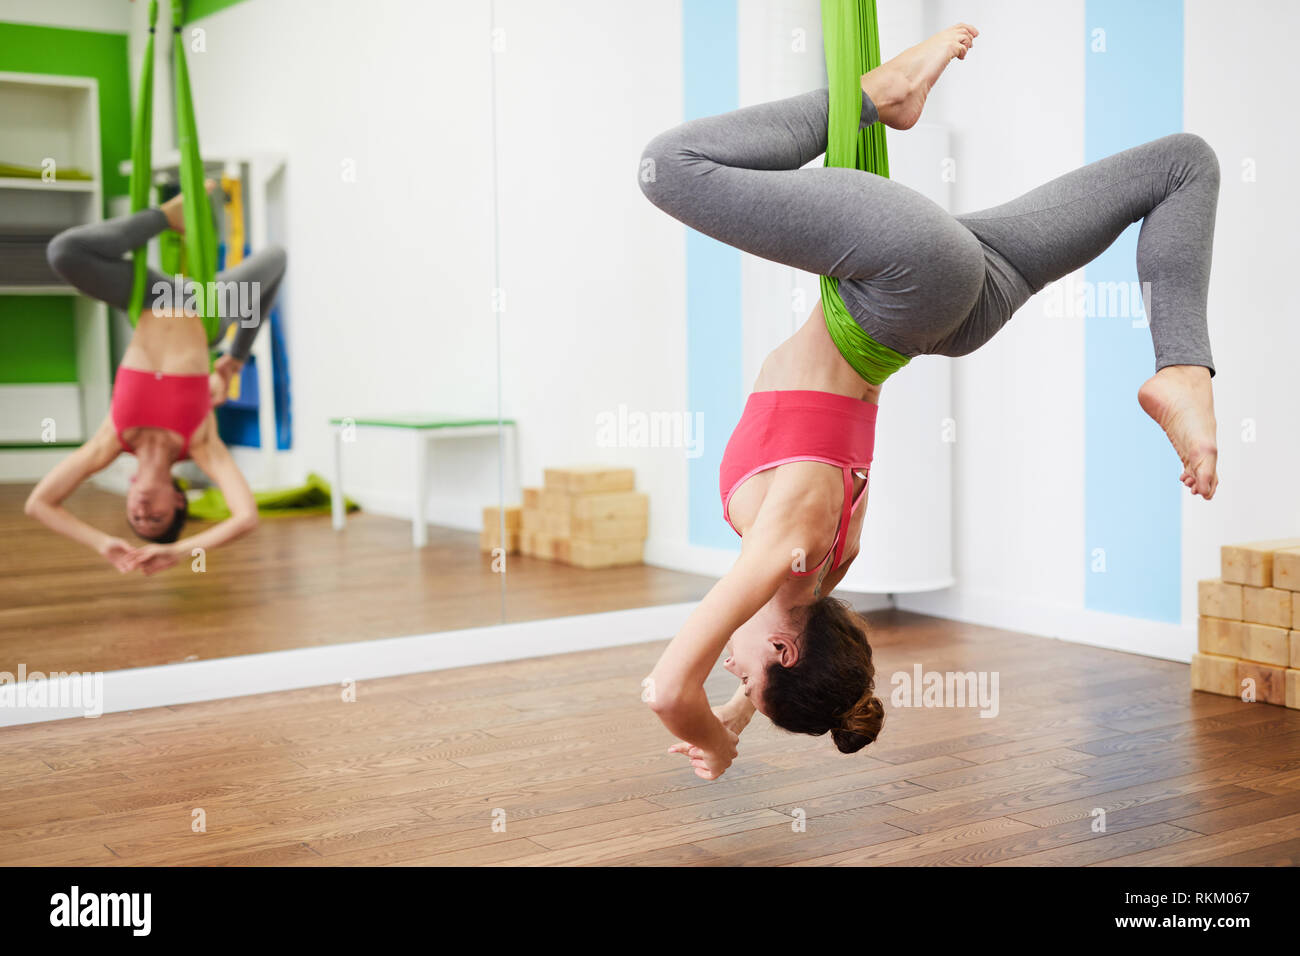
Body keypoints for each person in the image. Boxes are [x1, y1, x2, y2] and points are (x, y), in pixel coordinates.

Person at [638, 23, 1221, 778]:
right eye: (744, 676)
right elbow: (666, 689)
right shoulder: (783, 555)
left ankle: (1183, 366)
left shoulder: (828, 565)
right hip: (903, 282)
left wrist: (750, 704)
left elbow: (783, 657)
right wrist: (721, 742)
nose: (731, 678)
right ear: (784, 648)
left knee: (1182, 165)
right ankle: (878, 95)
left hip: (956, 310)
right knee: (667, 168)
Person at [25, 185, 288, 575]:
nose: (143, 512)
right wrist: (181, 552)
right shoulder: (201, 445)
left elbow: (39, 504)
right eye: (156, 518)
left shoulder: (110, 442)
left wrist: (103, 544)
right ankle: (234, 358)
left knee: (64, 253)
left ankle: (164, 217)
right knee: (276, 260)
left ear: (128, 495)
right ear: (178, 502)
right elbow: (246, 518)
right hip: (207, 308)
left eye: (137, 517)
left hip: (152, 296)